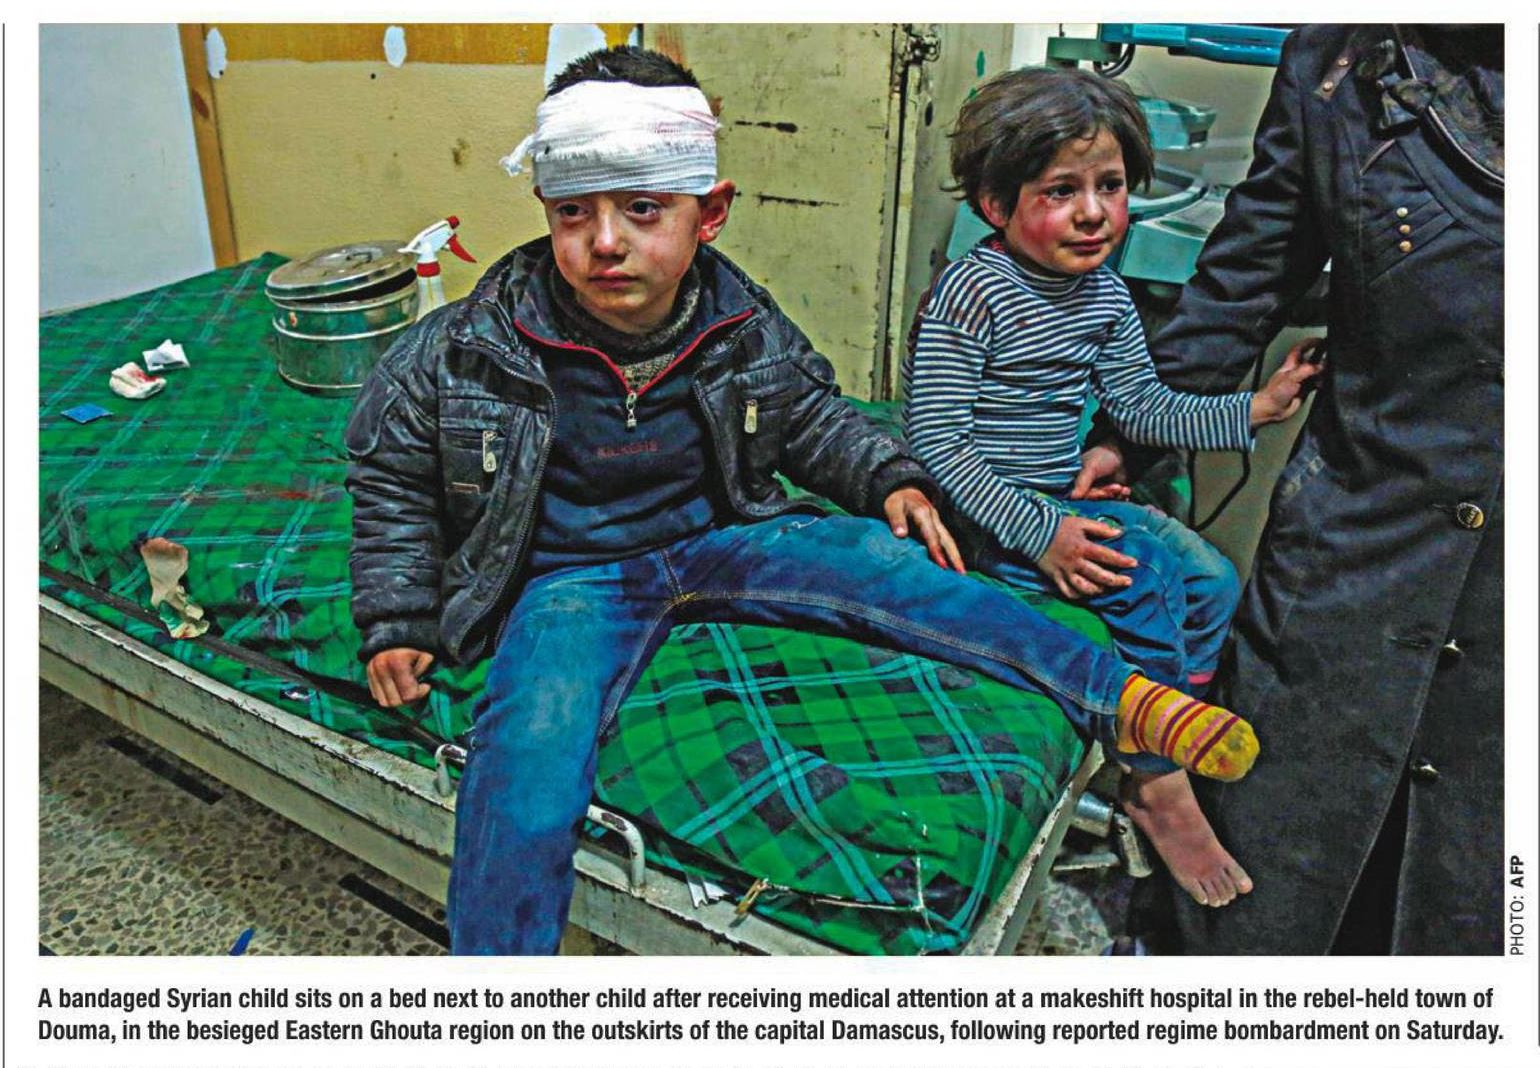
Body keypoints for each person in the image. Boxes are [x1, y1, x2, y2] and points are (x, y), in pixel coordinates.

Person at [345, 46, 1260, 955]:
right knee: (527, 761)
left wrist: (891, 478)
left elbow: (814, 417)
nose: (607, 241)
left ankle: (1124, 700)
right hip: (574, 580)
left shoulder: (739, 321)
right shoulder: (467, 346)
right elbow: (390, 476)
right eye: (574, 212)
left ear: (710, 214)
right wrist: (398, 619)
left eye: (643, 209)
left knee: (901, 573)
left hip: (729, 535)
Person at [1080, 25, 1503, 954]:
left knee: (1466, 894)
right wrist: (1131, 440)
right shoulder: (1338, 61)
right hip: (1356, 535)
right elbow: (1248, 271)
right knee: (1267, 866)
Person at [904, 66, 1319, 909]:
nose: (1094, 212)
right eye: (1062, 191)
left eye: (1112, 186)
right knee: (1146, 581)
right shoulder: (974, 293)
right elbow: (937, 444)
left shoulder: (1103, 296)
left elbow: (1141, 408)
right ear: (995, 204)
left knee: (1210, 578)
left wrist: (1256, 409)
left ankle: (1167, 737)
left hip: (1057, 498)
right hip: (981, 515)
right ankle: (1156, 778)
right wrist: (1042, 534)